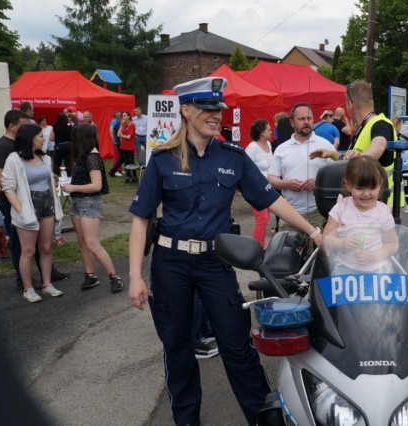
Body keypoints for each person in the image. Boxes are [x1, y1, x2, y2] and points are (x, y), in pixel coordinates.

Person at [127, 76, 324, 426]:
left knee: (237, 347)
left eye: (218, 109)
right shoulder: (162, 159)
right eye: (206, 108)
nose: (215, 115)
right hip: (170, 264)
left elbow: (271, 199)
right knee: (178, 348)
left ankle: (263, 420)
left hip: (214, 262)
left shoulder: (232, 158)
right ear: (186, 110)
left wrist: (312, 231)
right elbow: (141, 219)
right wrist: (134, 277)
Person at [0, 110, 69, 291]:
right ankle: (25, 285)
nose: (44, 138)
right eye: (39, 135)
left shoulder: (44, 158)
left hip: (46, 205)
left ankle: (47, 282)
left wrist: (51, 179)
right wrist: (21, 209)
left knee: (44, 247)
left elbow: (45, 176)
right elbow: (4, 182)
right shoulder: (6, 149)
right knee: (24, 249)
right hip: (22, 204)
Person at [310, 80, 403, 211]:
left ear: (350, 104)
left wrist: (362, 160)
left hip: (382, 206)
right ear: (372, 102)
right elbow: (353, 159)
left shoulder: (380, 124)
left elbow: (380, 144)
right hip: (369, 204)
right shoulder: (364, 127)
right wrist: (332, 154)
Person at [61, 124, 124, 293]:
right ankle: (90, 275)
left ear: (80, 138)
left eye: (74, 137)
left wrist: (72, 188)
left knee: (92, 243)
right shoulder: (84, 155)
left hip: (89, 203)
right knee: (83, 242)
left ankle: (114, 277)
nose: (71, 141)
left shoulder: (93, 157)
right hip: (77, 203)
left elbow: (97, 185)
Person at [323, 156, 398, 273]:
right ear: (348, 185)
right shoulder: (341, 208)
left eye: (372, 188)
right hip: (344, 269)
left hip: (377, 271)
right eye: (359, 188)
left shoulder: (383, 212)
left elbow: (392, 244)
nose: (366, 193)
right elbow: (326, 237)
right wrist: (341, 243)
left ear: (380, 185)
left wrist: (374, 255)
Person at [267, 102, 337, 229]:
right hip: (290, 214)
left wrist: (318, 183)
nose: (306, 122)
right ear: (292, 122)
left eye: (309, 118)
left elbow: (337, 177)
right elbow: (272, 178)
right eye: (301, 119)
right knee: (287, 249)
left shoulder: (325, 145)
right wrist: (287, 184)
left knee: (319, 249)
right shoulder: (282, 149)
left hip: (318, 212)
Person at [245, 118, 273, 248]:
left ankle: (261, 245)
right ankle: (257, 247)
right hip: (256, 189)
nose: (271, 131)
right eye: (268, 129)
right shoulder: (252, 148)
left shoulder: (269, 144)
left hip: (269, 188)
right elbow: (244, 168)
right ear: (261, 132)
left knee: (266, 217)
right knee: (262, 218)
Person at [111, 111, 137, 183]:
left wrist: (123, 135)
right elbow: (118, 134)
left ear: (129, 117)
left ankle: (134, 176)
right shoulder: (124, 125)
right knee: (126, 162)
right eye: (123, 116)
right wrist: (121, 125)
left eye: (125, 116)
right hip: (123, 146)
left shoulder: (132, 125)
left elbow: (128, 137)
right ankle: (128, 176)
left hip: (130, 146)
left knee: (131, 162)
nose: (123, 117)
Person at [108, 110, 123, 177]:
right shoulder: (114, 122)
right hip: (116, 142)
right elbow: (111, 131)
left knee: (120, 156)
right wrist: (113, 140)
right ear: (115, 115)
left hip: (118, 141)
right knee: (117, 156)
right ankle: (115, 170)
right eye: (118, 115)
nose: (120, 116)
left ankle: (120, 169)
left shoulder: (118, 121)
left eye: (120, 115)